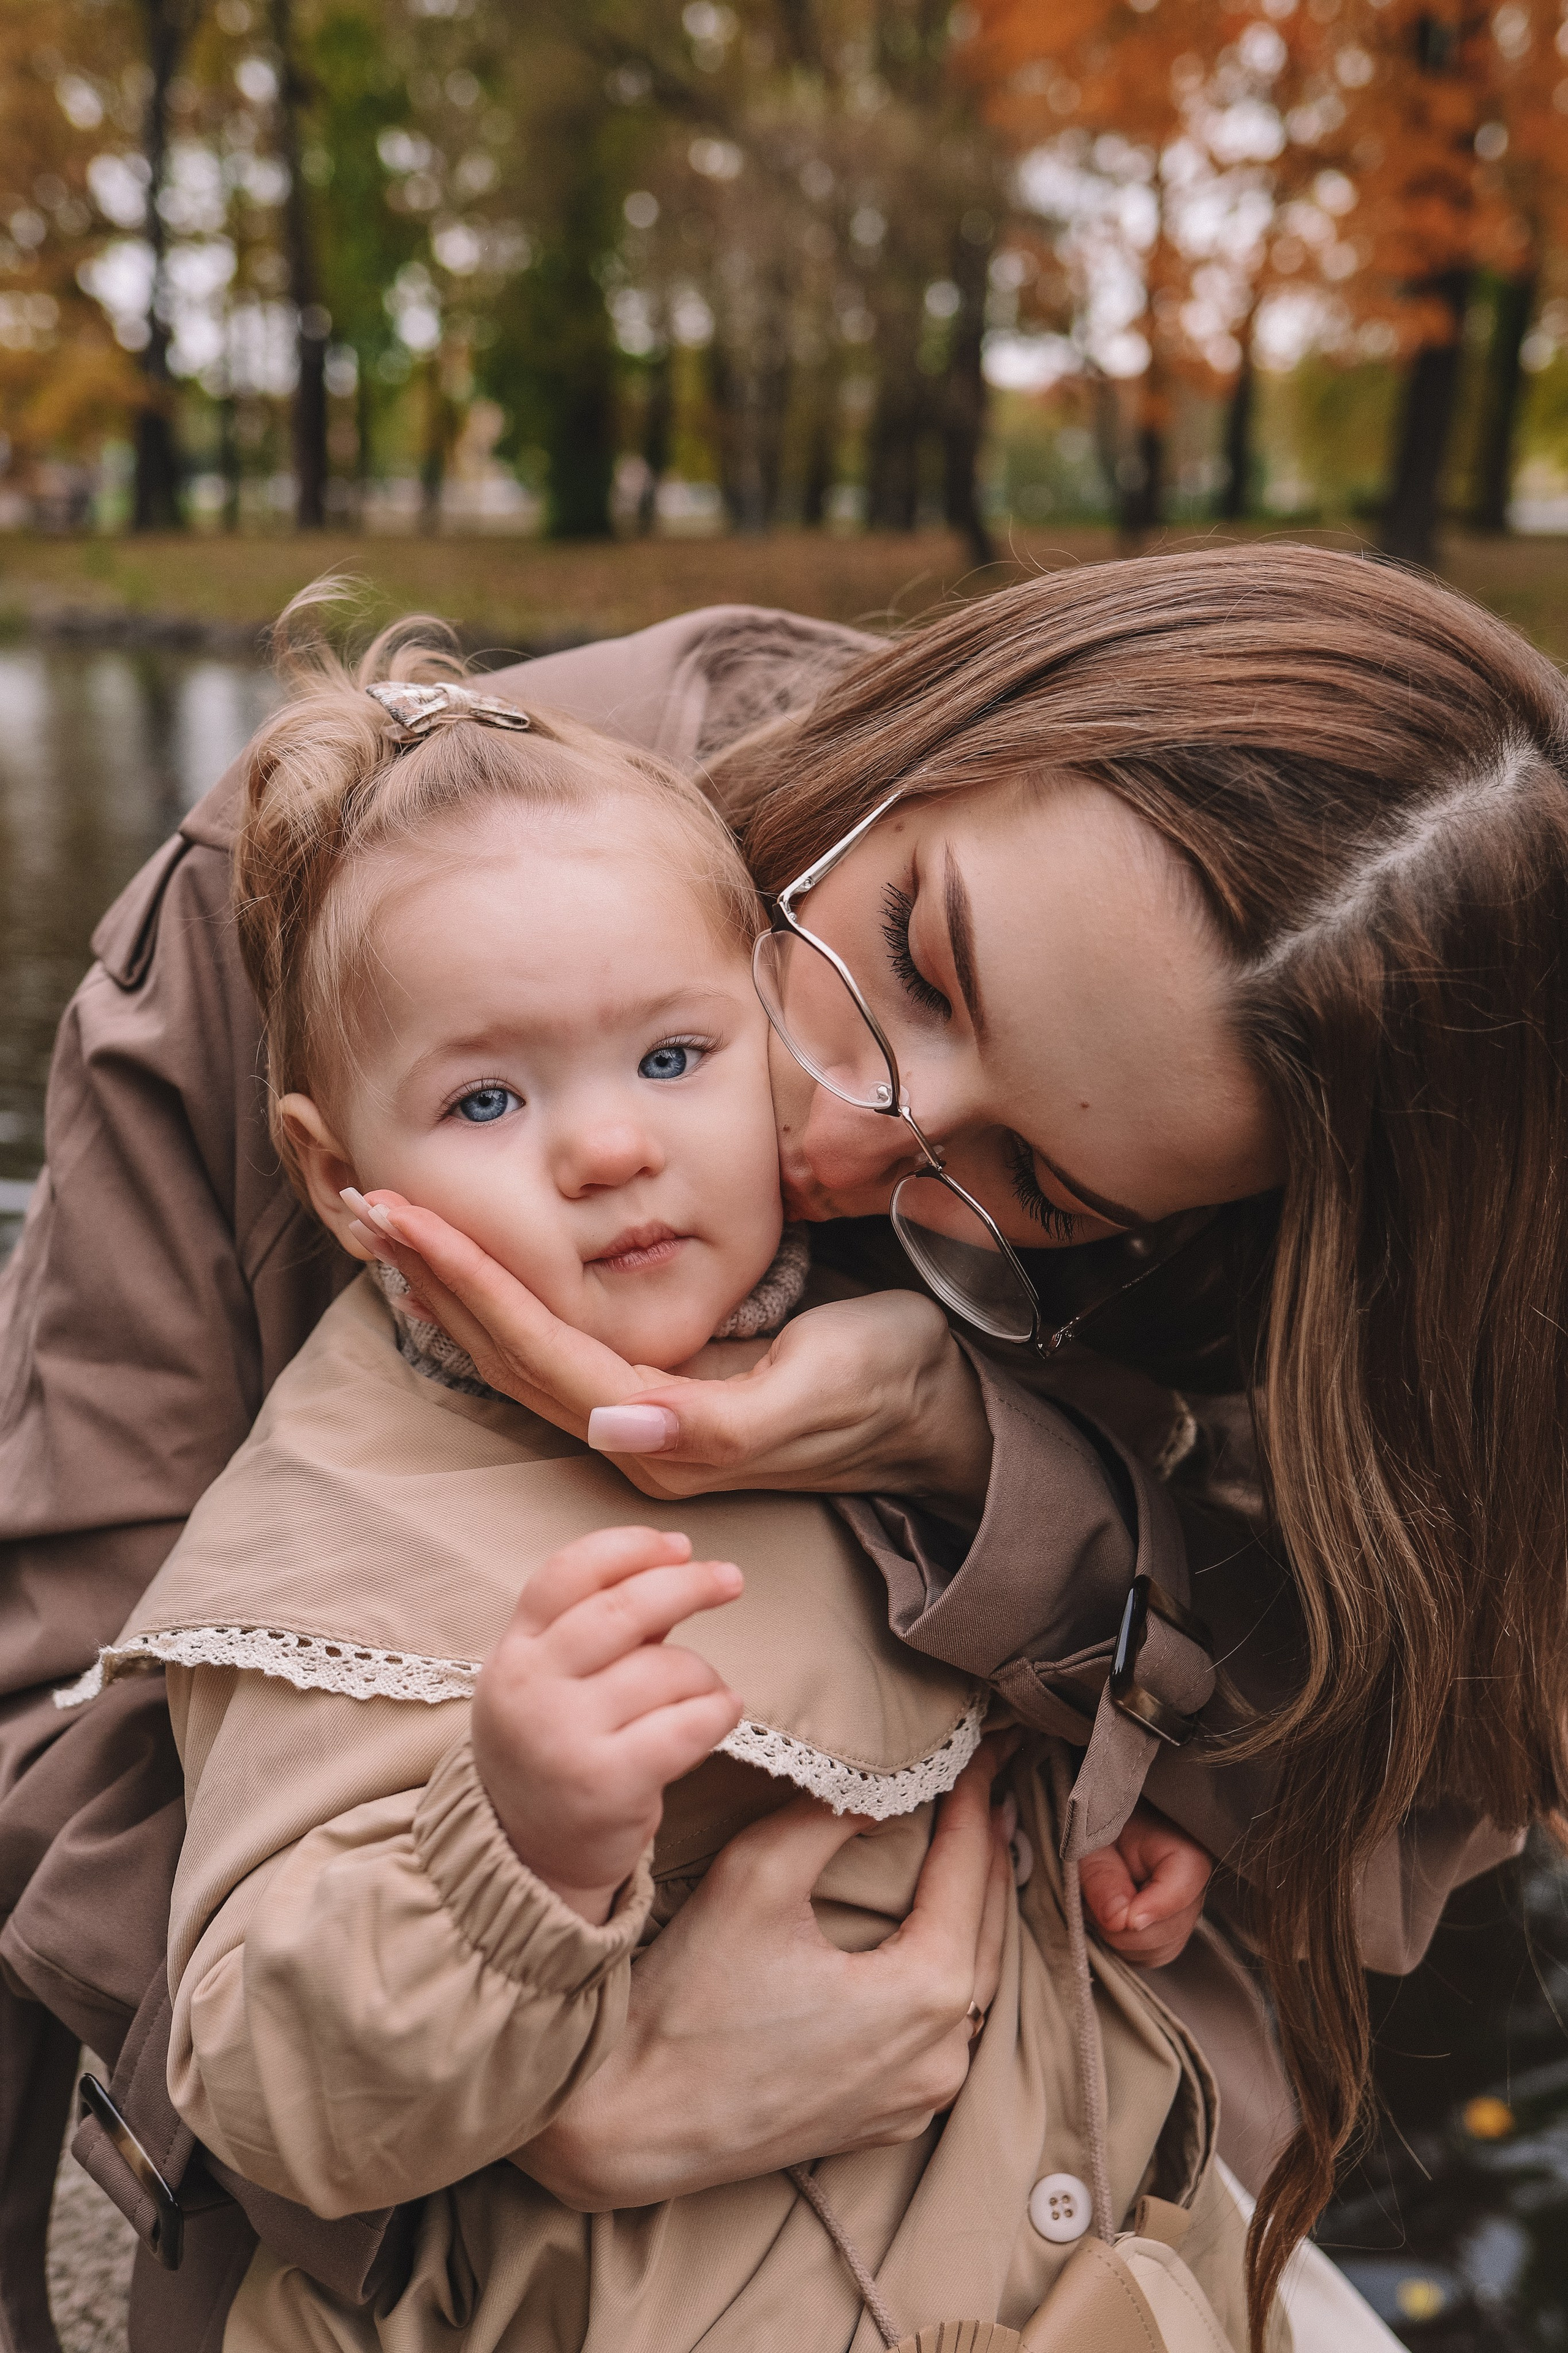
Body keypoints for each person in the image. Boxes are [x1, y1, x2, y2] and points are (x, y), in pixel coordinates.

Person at [0, 547, 1533, 2339]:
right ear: (958, 719)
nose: (844, 1136)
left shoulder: (1308, 1209)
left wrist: (981, 1463)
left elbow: (1398, 1765)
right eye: (913, 959)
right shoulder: (320, 914)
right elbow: (63, 1735)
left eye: (1039, 1182)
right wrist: (574, 2115)